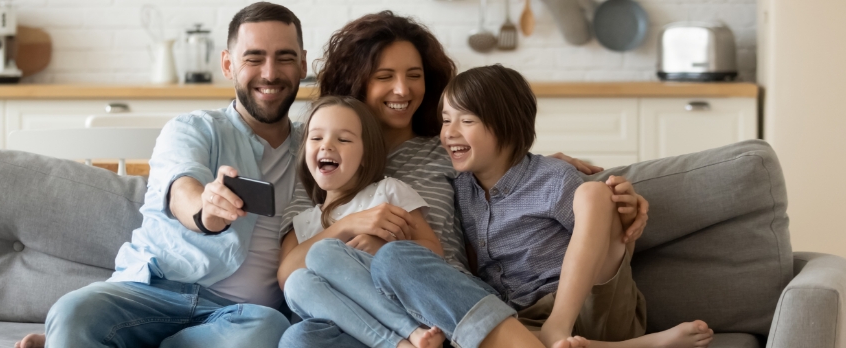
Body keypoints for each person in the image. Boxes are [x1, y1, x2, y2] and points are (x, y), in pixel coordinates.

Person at [277, 11, 628, 347]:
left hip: (442, 303)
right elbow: (289, 275)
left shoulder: (447, 151)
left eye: (414, 75)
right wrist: (350, 224)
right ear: (356, 82)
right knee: (300, 338)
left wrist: (544, 168)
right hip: (366, 317)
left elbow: (503, 162)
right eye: (385, 77)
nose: (402, 90)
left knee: (396, 258)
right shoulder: (321, 165)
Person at [14, 2, 308, 347]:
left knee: (268, 329)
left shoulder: (318, 149)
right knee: (73, 311)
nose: (270, 73)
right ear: (228, 64)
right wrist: (206, 211)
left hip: (236, 316)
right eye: (253, 58)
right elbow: (182, 188)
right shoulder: (192, 129)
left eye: (285, 58)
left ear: (302, 63)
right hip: (150, 292)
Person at [369, 65, 715, 348]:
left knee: (594, 195)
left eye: (467, 120)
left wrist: (621, 211)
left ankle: (560, 331)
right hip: (522, 320)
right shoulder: (461, 188)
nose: (449, 133)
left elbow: (610, 239)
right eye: (446, 120)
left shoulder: (553, 179)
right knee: (416, 282)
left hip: (589, 305)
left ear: (506, 126)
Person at [281, 96, 447, 348]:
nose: (326, 146)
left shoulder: (386, 193)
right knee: (297, 288)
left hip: (397, 313)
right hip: (344, 331)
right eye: (316, 138)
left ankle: (410, 333)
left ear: (366, 155)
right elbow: (285, 279)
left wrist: (383, 249)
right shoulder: (304, 222)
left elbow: (434, 252)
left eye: (343, 139)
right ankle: (398, 345)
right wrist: (347, 225)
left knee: (323, 254)